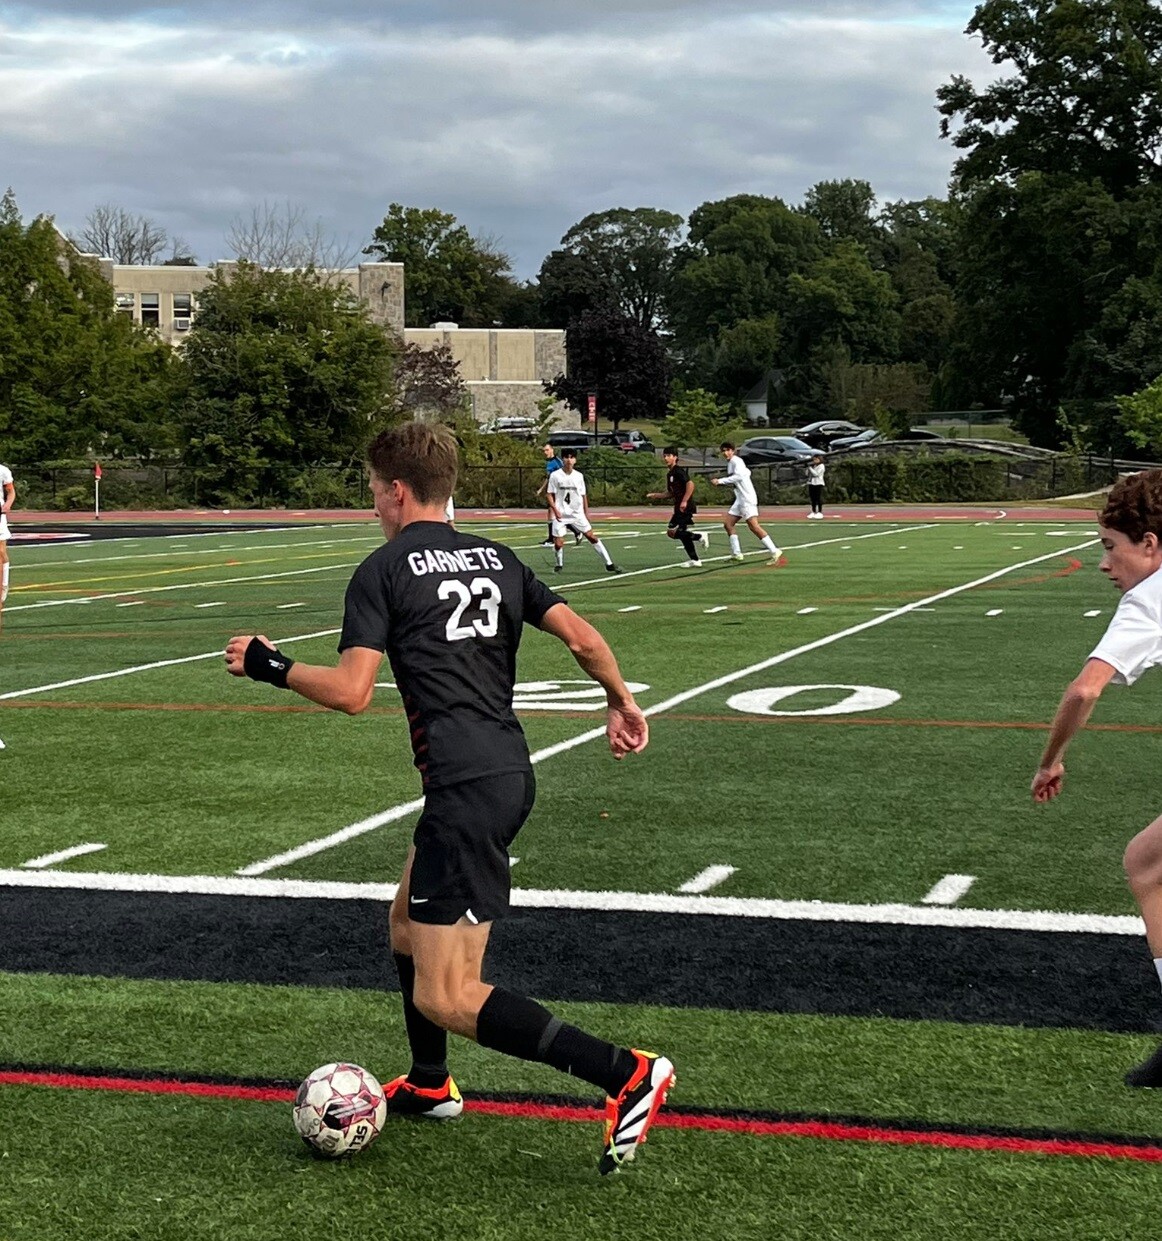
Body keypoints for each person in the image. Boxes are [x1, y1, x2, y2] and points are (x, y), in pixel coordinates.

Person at [225, 421, 672, 1174]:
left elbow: (352, 692)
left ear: (396, 490)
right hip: (500, 772)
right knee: (403, 922)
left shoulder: (383, 569)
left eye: (373, 490)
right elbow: (585, 639)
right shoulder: (497, 556)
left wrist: (272, 665)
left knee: (447, 992)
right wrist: (620, 700)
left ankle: (625, 1071)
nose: (373, 503)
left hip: (467, 791)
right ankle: (431, 1082)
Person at [1031, 469, 1162, 1087]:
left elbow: (1084, 690)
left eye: (1111, 547)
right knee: (1147, 863)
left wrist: (1049, 759)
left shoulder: (1149, 598)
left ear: (1151, 545)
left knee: (1147, 867)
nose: (1105, 564)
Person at [546, 449, 620, 574]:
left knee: (591, 537)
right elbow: (549, 494)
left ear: (575, 460)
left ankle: (609, 564)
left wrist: (586, 512)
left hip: (577, 513)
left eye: (571, 457)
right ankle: (559, 564)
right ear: (562, 459)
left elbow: (583, 495)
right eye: (566, 457)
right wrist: (555, 510)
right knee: (558, 544)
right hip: (561, 514)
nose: (569, 460)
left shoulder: (579, 476)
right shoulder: (555, 475)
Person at [712, 443, 784, 565]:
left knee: (753, 526)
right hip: (740, 499)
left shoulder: (736, 461)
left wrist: (720, 481)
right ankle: (737, 553)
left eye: (728, 450)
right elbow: (746, 473)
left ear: (733, 451)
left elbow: (739, 476)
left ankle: (774, 550)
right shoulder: (732, 463)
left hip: (747, 499)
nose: (726, 453)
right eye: (723, 451)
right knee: (728, 524)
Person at [648, 447, 709, 567]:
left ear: (675, 457)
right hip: (678, 507)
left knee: (674, 531)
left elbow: (690, 484)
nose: (666, 458)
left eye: (669, 455)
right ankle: (696, 556)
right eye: (664, 456)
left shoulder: (678, 471)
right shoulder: (670, 474)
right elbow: (670, 493)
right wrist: (656, 495)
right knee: (677, 533)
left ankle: (698, 543)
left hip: (684, 507)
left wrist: (684, 501)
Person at [535, 443, 562, 546]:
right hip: (551, 490)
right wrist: (541, 489)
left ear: (552, 450)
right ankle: (551, 537)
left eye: (547, 450)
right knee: (551, 513)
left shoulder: (557, 462)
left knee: (554, 512)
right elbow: (548, 478)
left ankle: (575, 531)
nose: (545, 452)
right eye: (544, 451)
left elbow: (563, 475)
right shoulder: (549, 463)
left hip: (557, 491)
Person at [0, 460, 14, 628]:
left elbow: (11, 492)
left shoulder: (3, 470)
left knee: (1, 552)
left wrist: (7, 505)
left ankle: (3, 588)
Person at [806, 455, 826, 519]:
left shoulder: (821, 466)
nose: (815, 461)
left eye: (816, 459)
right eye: (814, 459)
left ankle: (819, 512)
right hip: (812, 483)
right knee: (813, 498)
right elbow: (807, 474)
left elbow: (816, 474)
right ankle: (813, 511)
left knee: (818, 498)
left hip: (818, 483)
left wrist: (810, 468)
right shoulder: (814, 466)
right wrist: (807, 469)